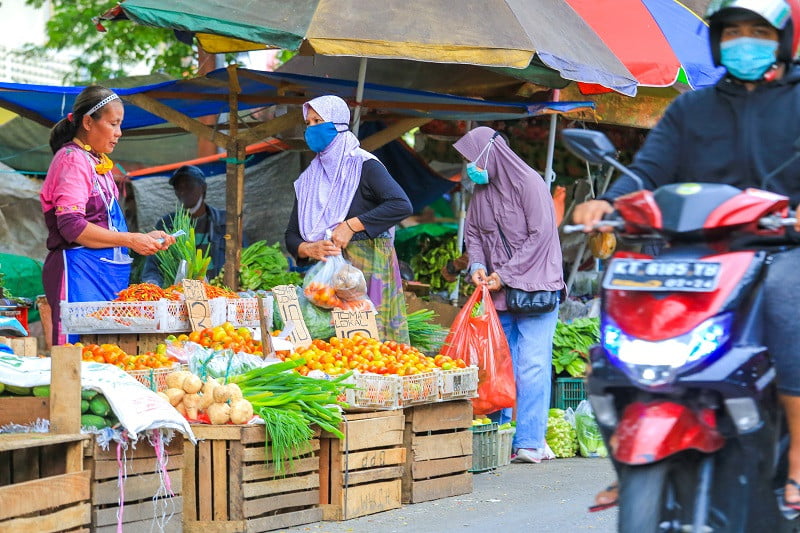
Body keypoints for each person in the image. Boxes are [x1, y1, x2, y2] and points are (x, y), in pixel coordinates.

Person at [573, 0, 800, 511]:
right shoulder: (692, 108)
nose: (742, 41)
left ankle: (797, 466)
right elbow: (648, 170)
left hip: (781, 248)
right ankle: (631, 463)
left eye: (756, 31)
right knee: (615, 333)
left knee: (790, 302)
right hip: (696, 256)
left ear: (783, 40)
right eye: (731, 31)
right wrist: (607, 203)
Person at [453, 126, 565, 464]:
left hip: (535, 290)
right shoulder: (481, 191)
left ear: (490, 153)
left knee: (531, 366)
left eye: (473, 158)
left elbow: (541, 236)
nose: (469, 165)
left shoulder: (529, 183)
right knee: (500, 364)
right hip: (498, 292)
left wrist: (506, 274)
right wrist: (476, 264)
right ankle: (500, 437)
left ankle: (529, 441)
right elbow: (473, 233)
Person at [40, 85, 175, 346]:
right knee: (77, 360)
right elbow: (71, 227)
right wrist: (129, 240)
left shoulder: (98, 164)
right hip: (78, 275)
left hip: (105, 276)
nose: (118, 133)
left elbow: (106, 226)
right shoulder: (71, 160)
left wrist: (142, 238)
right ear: (88, 122)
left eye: (119, 125)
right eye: (113, 124)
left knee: (103, 358)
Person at [285, 95, 413, 343]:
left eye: (317, 121)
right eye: (308, 122)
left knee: (375, 347)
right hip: (327, 280)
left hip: (369, 271)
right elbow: (291, 234)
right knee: (334, 351)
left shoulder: (363, 166)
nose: (310, 128)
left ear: (338, 124)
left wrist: (351, 226)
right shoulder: (309, 179)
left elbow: (400, 204)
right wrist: (307, 247)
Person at [141, 165, 228, 286]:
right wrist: (151, 285)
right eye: (178, 187)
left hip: (219, 295)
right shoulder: (166, 224)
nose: (182, 191)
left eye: (188, 186)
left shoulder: (225, 222)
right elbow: (153, 268)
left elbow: (241, 260)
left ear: (203, 187)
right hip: (178, 296)